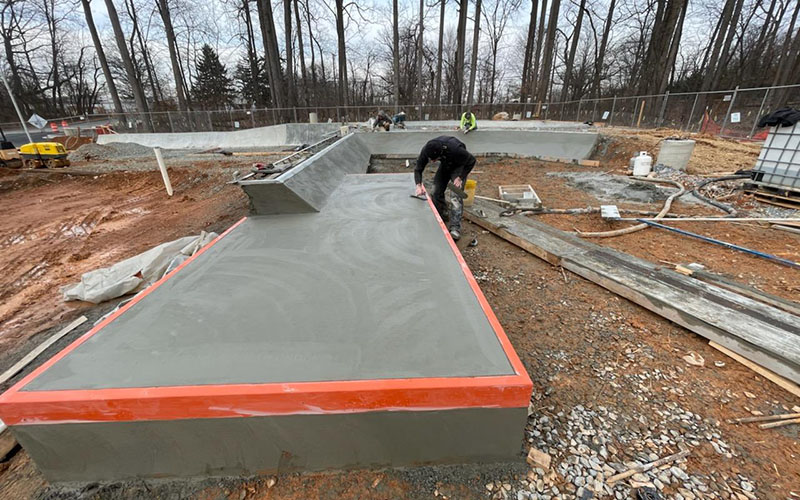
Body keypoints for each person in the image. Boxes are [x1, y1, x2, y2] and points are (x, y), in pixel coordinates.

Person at [414, 136, 476, 241]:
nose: (433, 162)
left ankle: (455, 228)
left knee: (455, 195)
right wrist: (418, 185)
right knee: (436, 191)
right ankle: (443, 215)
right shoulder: (427, 150)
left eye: (435, 159)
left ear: (441, 152)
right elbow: (418, 169)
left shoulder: (456, 150)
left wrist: (461, 177)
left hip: (458, 167)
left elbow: (472, 161)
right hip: (445, 165)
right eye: (431, 160)